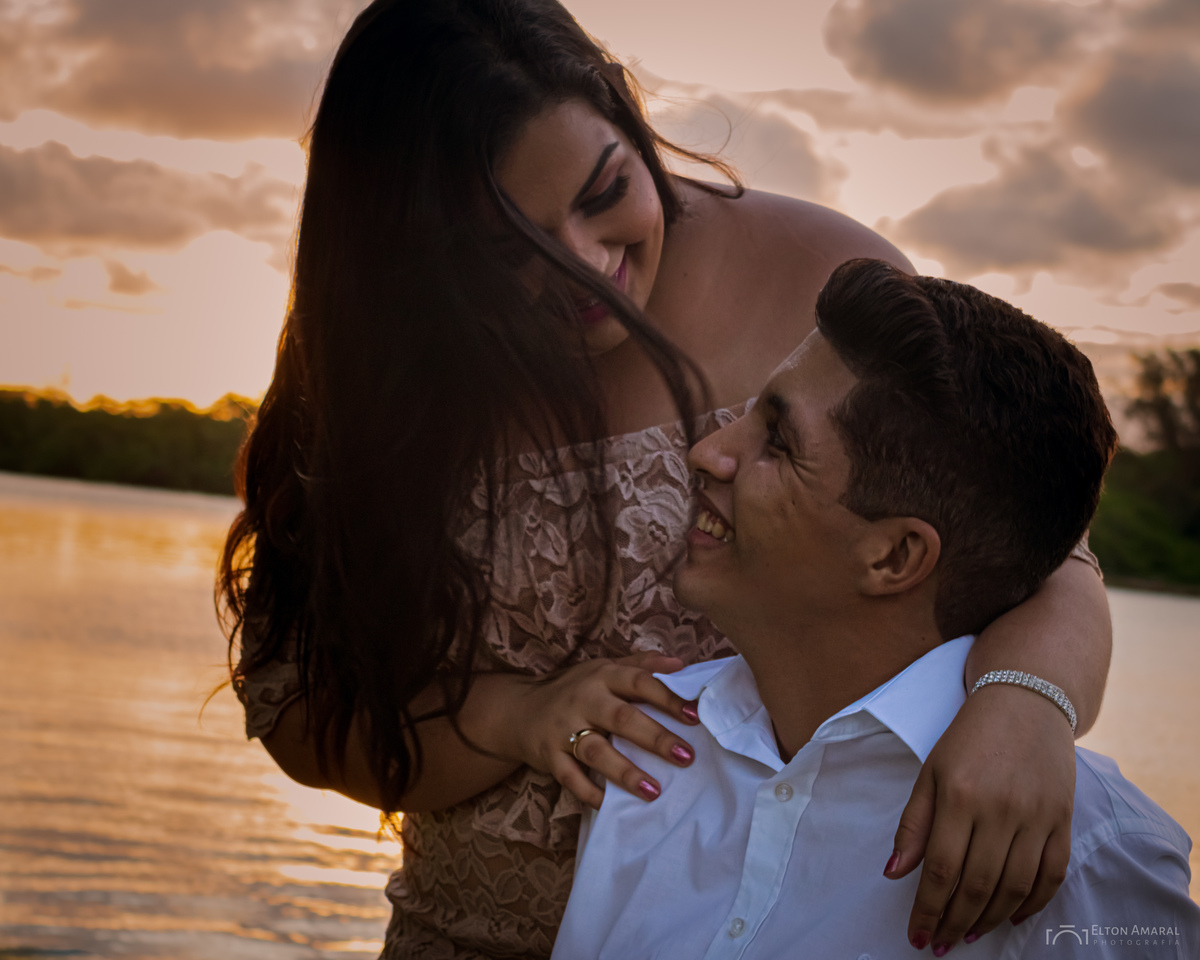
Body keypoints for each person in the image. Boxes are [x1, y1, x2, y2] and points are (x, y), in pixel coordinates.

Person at [218, 1, 1114, 957]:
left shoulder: (814, 271)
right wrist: (513, 717)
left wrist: (1025, 702)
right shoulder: (375, 377)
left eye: (606, 193)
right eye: (504, 251)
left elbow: (1035, 547)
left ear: (629, 124)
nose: (589, 273)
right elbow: (299, 706)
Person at [553, 259, 1198, 959]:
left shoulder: (1092, 857)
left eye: (777, 442)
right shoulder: (641, 743)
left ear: (893, 558)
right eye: (747, 413)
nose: (707, 453)